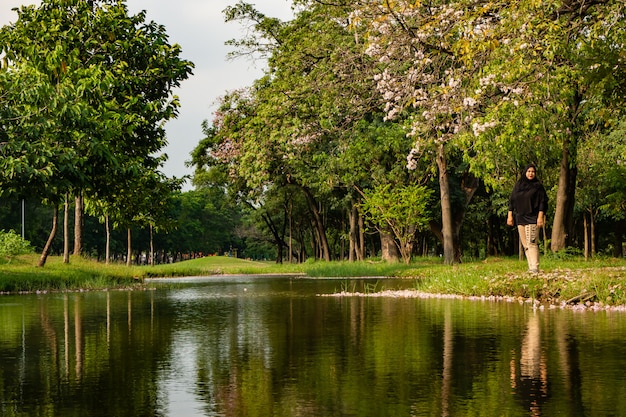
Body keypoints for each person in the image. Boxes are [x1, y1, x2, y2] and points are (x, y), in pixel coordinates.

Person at [507, 164, 548, 273]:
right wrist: (510, 215)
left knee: (532, 242)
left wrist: (540, 217)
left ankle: (535, 267)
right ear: (525, 172)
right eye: (529, 171)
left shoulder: (538, 186)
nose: (531, 173)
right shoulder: (518, 185)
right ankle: (531, 267)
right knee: (525, 244)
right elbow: (512, 200)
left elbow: (543, 202)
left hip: (533, 217)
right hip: (520, 217)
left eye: (533, 171)